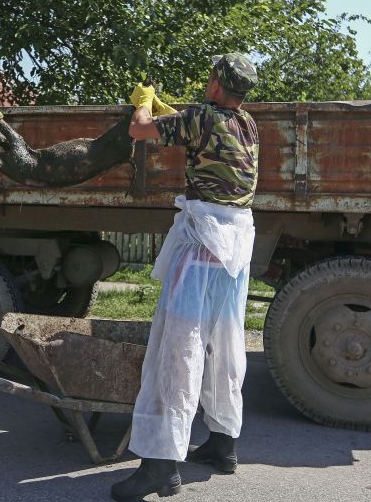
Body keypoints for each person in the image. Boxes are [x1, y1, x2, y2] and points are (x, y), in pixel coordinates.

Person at [111, 53, 259, 501]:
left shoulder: (199, 118)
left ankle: (160, 465)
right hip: (236, 244)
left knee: (177, 348)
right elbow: (197, 126)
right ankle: (222, 444)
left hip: (201, 245)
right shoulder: (247, 123)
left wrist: (143, 104)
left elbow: (139, 130)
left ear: (216, 83)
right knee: (226, 343)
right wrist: (170, 110)